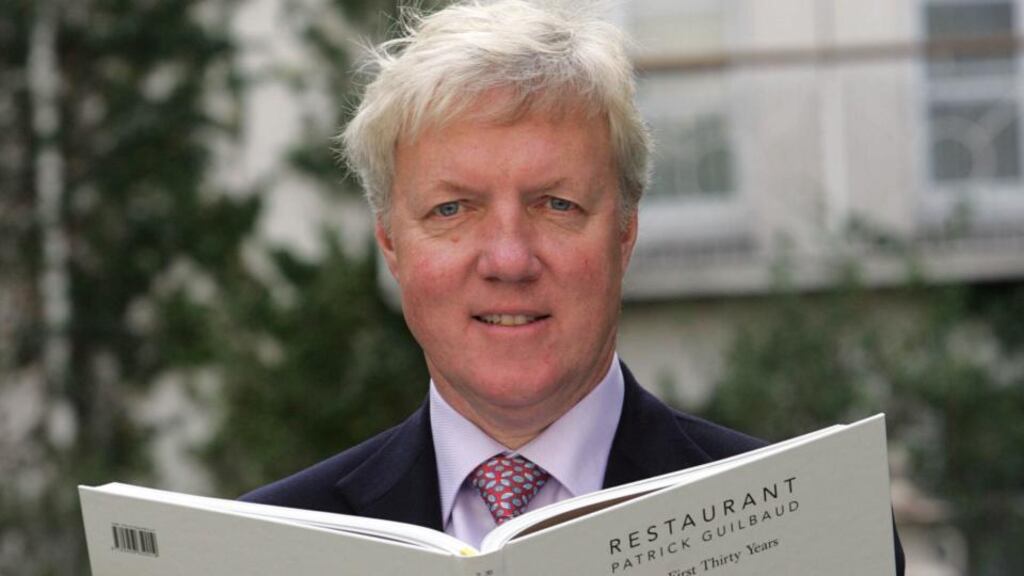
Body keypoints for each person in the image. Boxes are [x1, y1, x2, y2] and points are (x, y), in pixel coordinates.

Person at [242, 1, 904, 573]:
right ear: (390, 241)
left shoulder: (805, 534)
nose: (508, 258)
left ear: (624, 231)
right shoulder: (258, 551)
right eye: (452, 209)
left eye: (556, 204)